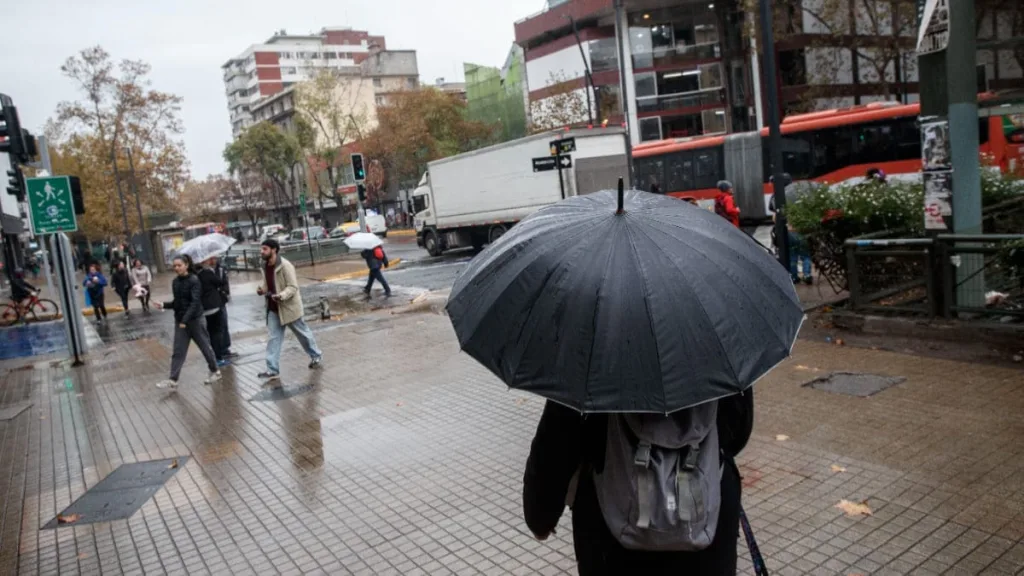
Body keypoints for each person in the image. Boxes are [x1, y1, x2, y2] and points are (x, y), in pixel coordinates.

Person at [523, 391, 754, 575]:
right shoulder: (717, 341)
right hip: (703, 523)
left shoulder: (593, 342)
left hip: (611, 538)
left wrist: (540, 516)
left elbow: (558, 436)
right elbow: (737, 431)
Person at [257, 239, 323, 383]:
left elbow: (292, 287)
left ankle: (316, 355)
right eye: (261, 249)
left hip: (289, 308)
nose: (261, 252)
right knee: (273, 339)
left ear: (274, 250)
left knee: (302, 334)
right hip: (274, 309)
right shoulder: (264, 265)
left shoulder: (285, 266)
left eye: (265, 249)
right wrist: (263, 289)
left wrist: (281, 296)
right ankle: (272, 370)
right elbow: (268, 283)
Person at [152, 254, 222, 390]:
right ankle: (173, 379)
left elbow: (195, 302)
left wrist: (185, 320)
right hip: (181, 322)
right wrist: (163, 305)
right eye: (174, 266)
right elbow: (177, 303)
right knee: (178, 351)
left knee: (205, 347)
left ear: (186, 265)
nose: (176, 268)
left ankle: (215, 371)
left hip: (195, 320)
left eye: (179, 265)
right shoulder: (175, 282)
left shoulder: (194, 280)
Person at [195, 257, 230, 367]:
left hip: (203, 309)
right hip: (214, 307)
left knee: (210, 333)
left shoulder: (195, 275)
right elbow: (220, 282)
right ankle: (218, 358)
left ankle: (214, 357)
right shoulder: (207, 273)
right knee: (217, 333)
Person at [212, 257, 237, 358]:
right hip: (211, 303)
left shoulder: (221, 269)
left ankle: (225, 348)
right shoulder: (203, 271)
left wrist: (225, 292)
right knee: (216, 328)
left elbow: (224, 283)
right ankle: (218, 351)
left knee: (224, 324)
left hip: (221, 300)